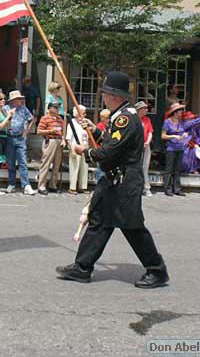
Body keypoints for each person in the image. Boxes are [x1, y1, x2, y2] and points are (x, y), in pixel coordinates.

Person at [56, 71, 170, 288]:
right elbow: (110, 142)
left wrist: (84, 151)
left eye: (106, 93)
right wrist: (93, 130)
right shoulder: (119, 115)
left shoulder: (126, 118)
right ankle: (82, 267)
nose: (103, 96)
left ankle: (157, 270)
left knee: (132, 226)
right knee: (99, 221)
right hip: (113, 180)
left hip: (125, 182)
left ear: (115, 95)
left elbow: (108, 152)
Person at [161, 103, 200, 196]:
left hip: (180, 148)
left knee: (177, 169)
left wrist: (184, 135)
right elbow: (163, 136)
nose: (181, 112)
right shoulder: (167, 122)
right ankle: (168, 189)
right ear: (175, 112)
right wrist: (174, 136)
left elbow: (194, 122)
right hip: (171, 148)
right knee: (169, 169)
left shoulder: (182, 123)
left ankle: (177, 189)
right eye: (180, 111)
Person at [4, 90, 36, 195]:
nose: (20, 101)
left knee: (23, 162)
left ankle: (26, 185)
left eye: (20, 99)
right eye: (18, 99)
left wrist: (27, 131)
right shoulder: (6, 109)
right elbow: (1, 121)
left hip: (20, 138)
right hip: (9, 137)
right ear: (13, 100)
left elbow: (31, 119)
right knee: (11, 162)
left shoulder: (23, 109)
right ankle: (11, 184)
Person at [36, 102, 65, 195]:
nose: (57, 109)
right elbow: (39, 131)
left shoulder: (60, 119)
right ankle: (41, 186)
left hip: (58, 141)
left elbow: (63, 131)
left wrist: (63, 139)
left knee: (57, 165)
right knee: (46, 163)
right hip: (50, 140)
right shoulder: (45, 118)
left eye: (58, 107)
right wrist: (50, 131)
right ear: (49, 108)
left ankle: (53, 185)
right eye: (55, 107)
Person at [66, 105, 92, 195]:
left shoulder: (84, 123)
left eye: (85, 113)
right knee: (74, 168)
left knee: (84, 168)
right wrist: (72, 149)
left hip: (85, 147)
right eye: (83, 112)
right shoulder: (72, 123)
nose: (85, 114)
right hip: (76, 148)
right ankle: (72, 187)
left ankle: (83, 187)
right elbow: (68, 138)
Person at [135, 100, 154, 197]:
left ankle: (146, 188)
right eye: (144, 108)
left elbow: (150, 132)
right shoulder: (134, 119)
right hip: (135, 147)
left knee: (145, 167)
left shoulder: (147, 120)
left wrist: (147, 142)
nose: (146, 110)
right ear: (139, 110)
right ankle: (136, 187)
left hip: (146, 146)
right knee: (135, 167)